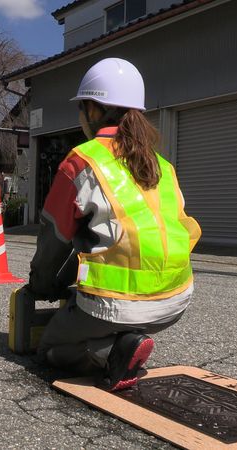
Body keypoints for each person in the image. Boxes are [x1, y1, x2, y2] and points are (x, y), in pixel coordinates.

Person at [26, 58, 201, 391]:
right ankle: (126, 337)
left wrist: (41, 286)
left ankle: (112, 352)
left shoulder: (82, 159)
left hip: (116, 303)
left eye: (81, 108)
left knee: (50, 349)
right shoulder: (162, 165)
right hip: (175, 300)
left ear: (93, 109)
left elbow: (54, 238)